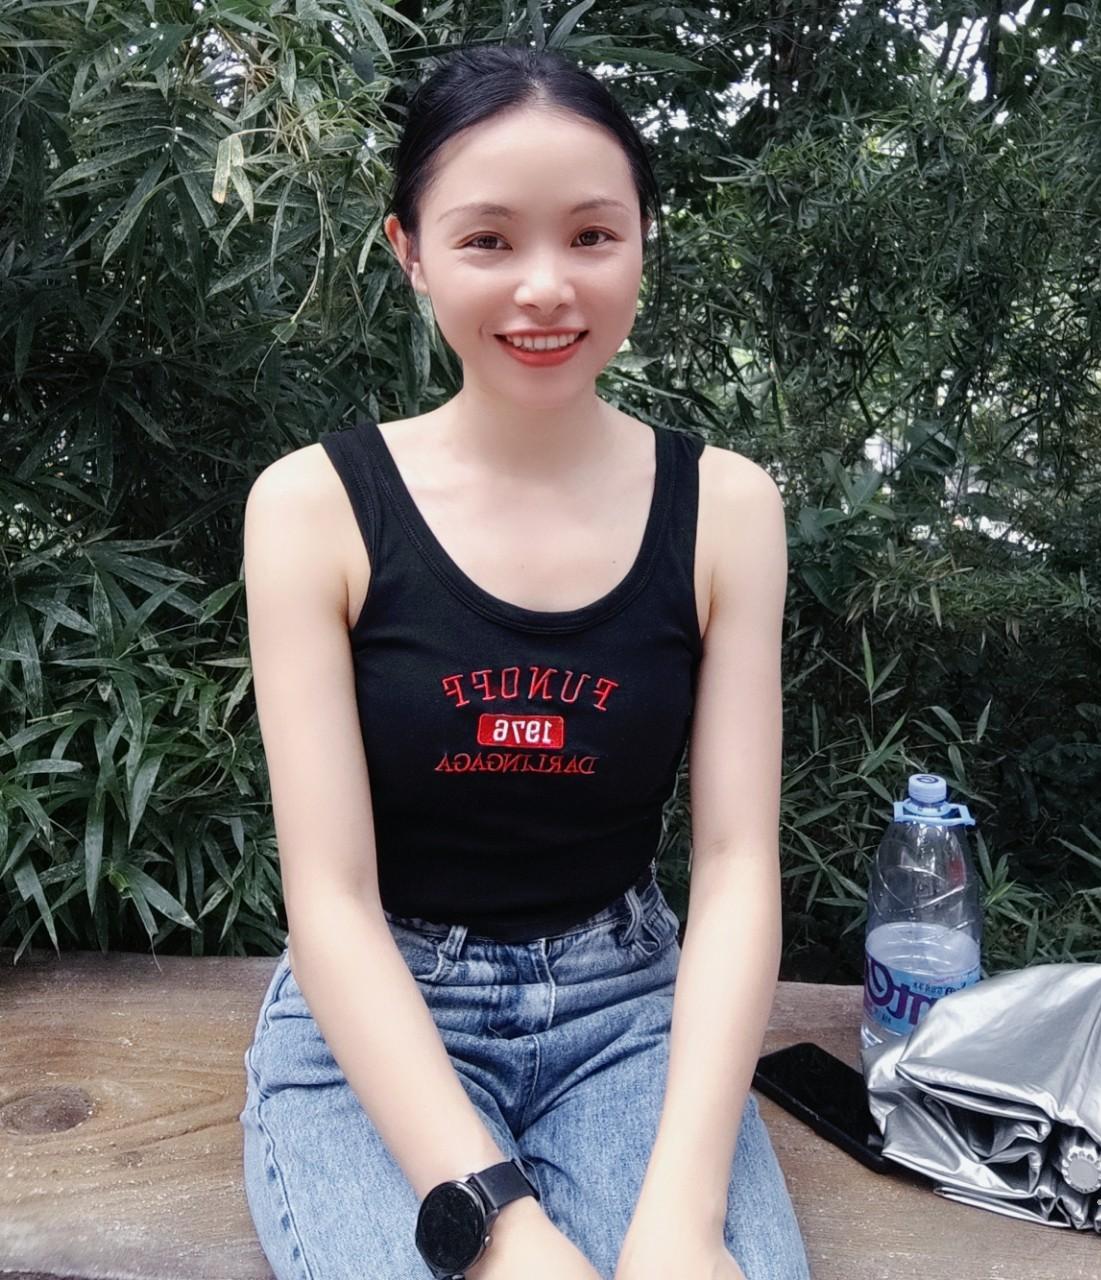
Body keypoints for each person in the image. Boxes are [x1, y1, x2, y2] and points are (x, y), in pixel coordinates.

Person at [238, 41, 811, 1280]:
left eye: (592, 235)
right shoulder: (314, 507)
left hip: (630, 1009)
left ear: (643, 242)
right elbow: (328, 901)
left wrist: (683, 1217)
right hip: (381, 1015)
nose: (544, 287)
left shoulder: (724, 508)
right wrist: (500, 1230)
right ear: (410, 252)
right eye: (488, 240)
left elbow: (733, 862)